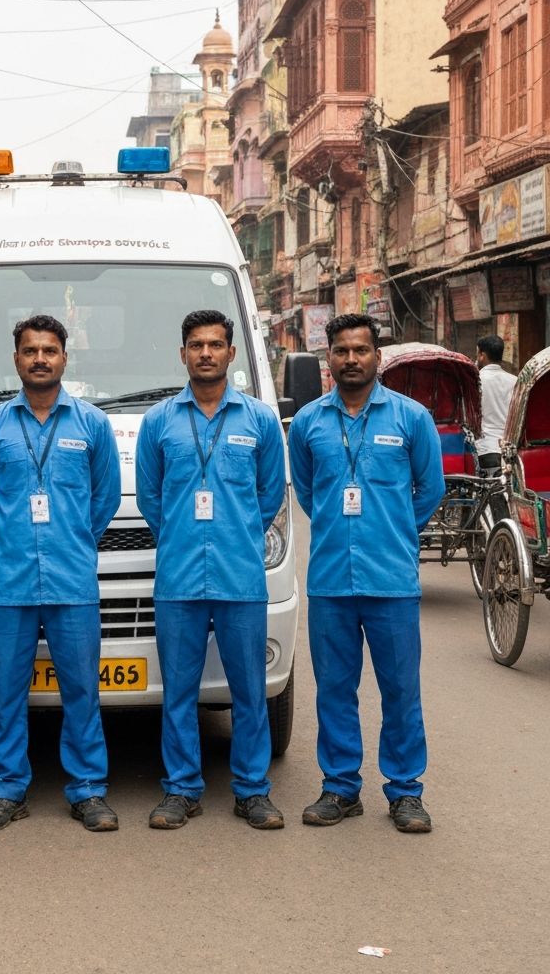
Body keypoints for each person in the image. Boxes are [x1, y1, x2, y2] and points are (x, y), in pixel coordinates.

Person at [288, 314, 444, 834]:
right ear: (328, 358)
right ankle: (340, 788)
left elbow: (431, 489)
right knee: (334, 688)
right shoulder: (309, 422)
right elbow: (307, 492)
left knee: (401, 690)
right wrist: (341, 526)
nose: (350, 359)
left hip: (391, 581)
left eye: (360, 350)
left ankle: (405, 793)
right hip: (330, 579)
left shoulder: (410, 418)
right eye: (341, 351)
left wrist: (395, 527)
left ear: (378, 356)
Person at [0, 315, 122, 833]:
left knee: (82, 689)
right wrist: (13, 540)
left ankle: (87, 790)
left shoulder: (92, 425)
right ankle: (7, 789)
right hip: (10, 582)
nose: (40, 358)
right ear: (16, 359)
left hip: (72, 581)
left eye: (50, 350)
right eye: (30, 350)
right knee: (7, 691)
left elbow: (104, 500)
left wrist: (72, 539)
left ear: (64, 357)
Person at [136, 310, 287, 831]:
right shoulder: (159, 422)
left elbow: (269, 497)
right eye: (196, 344)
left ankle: (252, 790)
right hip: (178, 579)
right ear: (182, 354)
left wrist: (236, 533)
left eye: (215, 344)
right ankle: (181, 789)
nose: (205, 353)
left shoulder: (260, 421)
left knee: (249, 690)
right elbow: (151, 499)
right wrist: (181, 535)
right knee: (178, 691)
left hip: (240, 576)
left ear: (232, 353)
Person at [475, 335, 517, 473]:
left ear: (482, 355)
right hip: (510, 452)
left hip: (485, 450)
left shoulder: (475, 381)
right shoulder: (514, 381)